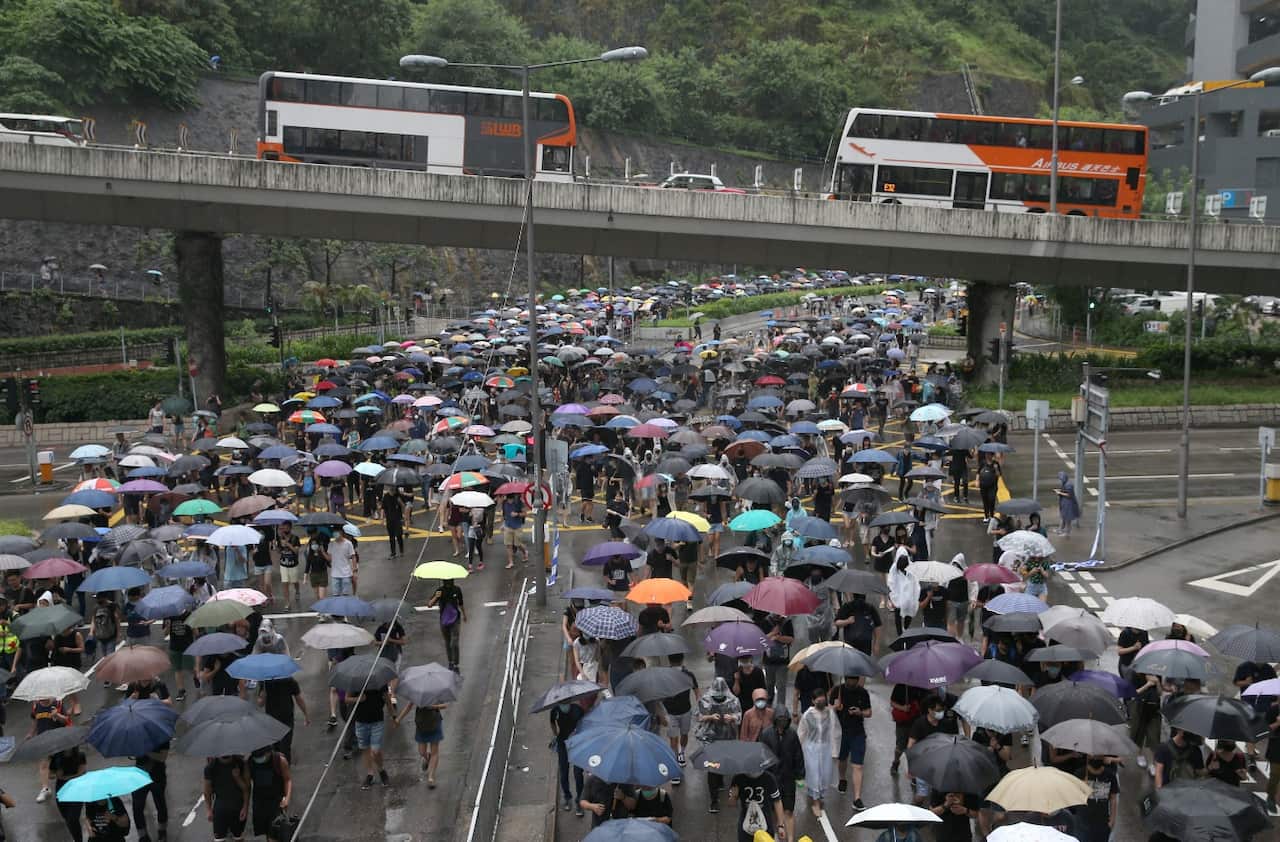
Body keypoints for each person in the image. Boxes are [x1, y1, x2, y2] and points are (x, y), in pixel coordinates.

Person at [695, 677, 741, 813]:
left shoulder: (733, 700)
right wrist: (709, 717)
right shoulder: (705, 700)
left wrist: (732, 718)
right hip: (710, 739)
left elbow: (739, 716)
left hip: (727, 737)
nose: (719, 697)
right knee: (712, 768)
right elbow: (698, 716)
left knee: (723, 764)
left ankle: (720, 780)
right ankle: (714, 799)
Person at [758, 706, 803, 842]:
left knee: (788, 811)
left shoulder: (792, 735)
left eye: (784, 720)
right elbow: (762, 756)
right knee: (773, 812)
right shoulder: (766, 734)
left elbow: (798, 755)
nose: (782, 722)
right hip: (772, 780)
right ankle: (775, 837)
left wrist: (800, 776)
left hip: (788, 780)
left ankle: (790, 840)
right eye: (780, 719)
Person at [796, 687, 840, 818]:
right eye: (818, 700)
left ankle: (818, 796)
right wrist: (797, 752)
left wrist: (834, 751)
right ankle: (815, 803)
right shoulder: (807, 715)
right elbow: (801, 733)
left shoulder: (829, 713)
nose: (821, 702)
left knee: (824, 774)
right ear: (813, 701)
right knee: (814, 775)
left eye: (823, 700)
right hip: (811, 749)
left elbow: (834, 731)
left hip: (825, 749)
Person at [832, 674, 873, 809]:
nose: (852, 682)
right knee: (842, 759)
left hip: (858, 733)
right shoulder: (837, 690)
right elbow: (827, 709)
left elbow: (869, 712)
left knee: (858, 765)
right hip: (841, 732)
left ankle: (857, 798)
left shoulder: (863, 692)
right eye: (850, 679)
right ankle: (842, 778)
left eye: (855, 679)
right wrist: (835, 707)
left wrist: (860, 712)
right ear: (845, 678)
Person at [353, 685, 397, 789]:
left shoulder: (380, 682)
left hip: (377, 721)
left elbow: (387, 700)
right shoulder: (355, 681)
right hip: (360, 721)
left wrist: (393, 716)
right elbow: (346, 699)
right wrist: (358, 699)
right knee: (365, 748)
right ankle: (370, 774)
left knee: (375, 750)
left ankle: (381, 770)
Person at [258, 674, 308, 762]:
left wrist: (306, 714)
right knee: (279, 747)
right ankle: (282, 769)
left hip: (282, 718)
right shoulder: (265, 682)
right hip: (276, 718)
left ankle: (284, 769)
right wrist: (306, 714)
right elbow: (260, 703)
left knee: (283, 747)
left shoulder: (287, 680)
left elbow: (298, 698)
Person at [246, 745, 291, 840]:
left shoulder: (279, 760)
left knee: (275, 833)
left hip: (276, 802)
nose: (259, 759)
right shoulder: (250, 762)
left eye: (261, 756)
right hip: (259, 804)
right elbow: (247, 785)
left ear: (268, 752)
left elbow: (287, 780)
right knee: (263, 833)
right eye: (256, 757)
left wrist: (287, 798)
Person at [729, 768, 785, 842]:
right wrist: (733, 796)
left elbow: (777, 801)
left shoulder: (769, 778)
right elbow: (731, 804)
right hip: (746, 826)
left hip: (765, 824)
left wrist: (781, 825)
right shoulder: (738, 778)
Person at [549, 699, 585, 813]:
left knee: (578, 773)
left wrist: (577, 734)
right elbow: (552, 722)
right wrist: (556, 734)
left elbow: (584, 724)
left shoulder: (577, 710)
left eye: (566, 702)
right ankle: (567, 797)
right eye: (562, 703)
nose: (564, 705)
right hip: (562, 744)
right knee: (564, 772)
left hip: (576, 743)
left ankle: (580, 800)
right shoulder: (555, 711)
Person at [663, 652, 698, 770]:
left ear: (669, 660)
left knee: (674, 737)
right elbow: (697, 691)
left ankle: (676, 757)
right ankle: (680, 754)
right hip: (685, 710)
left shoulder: (665, 675)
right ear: (682, 659)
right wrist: (699, 707)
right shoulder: (688, 674)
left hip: (670, 711)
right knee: (684, 734)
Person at [203, 754, 250, 842]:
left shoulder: (240, 763)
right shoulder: (211, 767)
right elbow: (207, 791)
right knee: (219, 839)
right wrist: (209, 809)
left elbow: (246, 789)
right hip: (220, 809)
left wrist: (245, 807)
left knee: (238, 838)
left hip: (238, 808)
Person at [1077, 755, 1119, 842]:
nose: (1096, 758)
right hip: (1082, 824)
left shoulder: (1110, 776)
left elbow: (1113, 798)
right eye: (1093, 756)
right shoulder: (1080, 773)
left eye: (1099, 756)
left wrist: (1112, 821)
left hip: (1102, 825)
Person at [428, 579, 466, 673]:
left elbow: (460, 603)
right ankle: (451, 662)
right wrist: (436, 597)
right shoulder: (439, 591)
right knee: (448, 642)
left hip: (455, 619)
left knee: (454, 642)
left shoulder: (457, 589)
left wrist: (464, 614)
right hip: (444, 620)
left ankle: (456, 664)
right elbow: (429, 604)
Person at [272, 522, 303, 611]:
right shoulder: (279, 538)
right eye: (282, 528)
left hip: (293, 564)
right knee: (285, 583)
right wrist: (276, 545)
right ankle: (287, 604)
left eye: (285, 528)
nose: (283, 530)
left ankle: (297, 590)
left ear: (290, 528)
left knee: (294, 581)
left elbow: (296, 551)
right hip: (283, 564)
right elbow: (279, 551)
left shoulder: (295, 538)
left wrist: (288, 544)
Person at [501, 495, 529, 569]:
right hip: (507, 526)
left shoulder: (519, 503)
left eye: (511, 500)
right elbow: (504, 515)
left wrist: (517, 514)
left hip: (517, 527)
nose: (509, 501)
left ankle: (525, 552)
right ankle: (511, 562)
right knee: (508, 545)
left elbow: (525, 514)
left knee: (518, 544)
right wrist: (503, 524)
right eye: (508, 500)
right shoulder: (504, 503)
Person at [327, 529, 356, 596]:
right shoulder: (331, 544)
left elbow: (353, 557)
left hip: (346, 574)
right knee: (335, 596)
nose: (334, 534)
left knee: (345, 596)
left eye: (336, 532)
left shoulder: (348, 543)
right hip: (335, 575)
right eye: (334, 532)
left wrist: (354, 571)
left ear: (341, 532)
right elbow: (329, 559)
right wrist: (322, 551)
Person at [382, 487, 406, 558]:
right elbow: (383, 508)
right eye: (390, 489)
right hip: (389, 519)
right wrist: (382, 518)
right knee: (391, 537)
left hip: (398, 519)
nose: (392, 490)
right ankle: (393, 553)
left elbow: (403, 506)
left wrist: (400, 501)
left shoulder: (398, 496)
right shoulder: (386, 496)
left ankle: (401, 551)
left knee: (399, 535)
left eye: (393, 489)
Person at [1054, 471, 1080, 535]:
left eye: (1060, 478)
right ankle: (1061, 529)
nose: (1060, 480)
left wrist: (1059, 493)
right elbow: (1065, 492)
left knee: (1068, 519)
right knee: (1063, 517)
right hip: (1065, 504)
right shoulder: (1065, 483)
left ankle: (1067, 532)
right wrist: (1059, 491)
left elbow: (1069, 495)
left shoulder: (1068, 484)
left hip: (1069, 505)